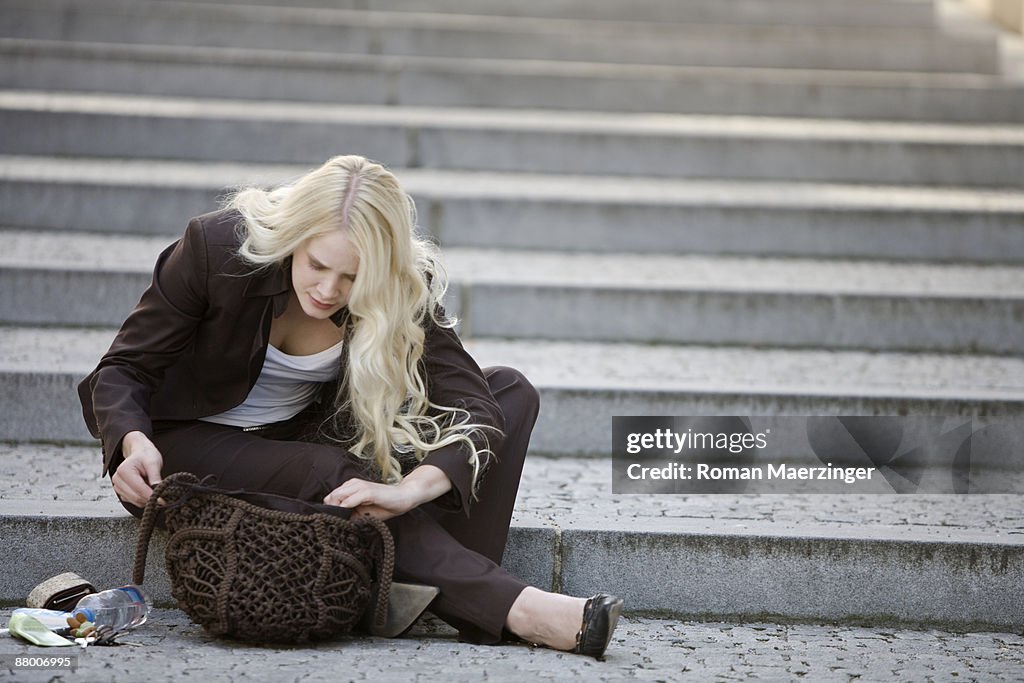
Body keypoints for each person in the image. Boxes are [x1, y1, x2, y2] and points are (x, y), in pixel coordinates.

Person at [77, 155, 623, 658]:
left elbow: (475, 405)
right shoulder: (216, 248)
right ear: (294, 238)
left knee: (510, 392)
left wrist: (408, 490)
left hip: (299, 438)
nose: (328, 290)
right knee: (333, 471)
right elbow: (124, 367)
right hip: (182, 449)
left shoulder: (400, 283)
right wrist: (131, 441)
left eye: (353, 277)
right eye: (317, 265)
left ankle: (407, 585)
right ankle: (514, 607)